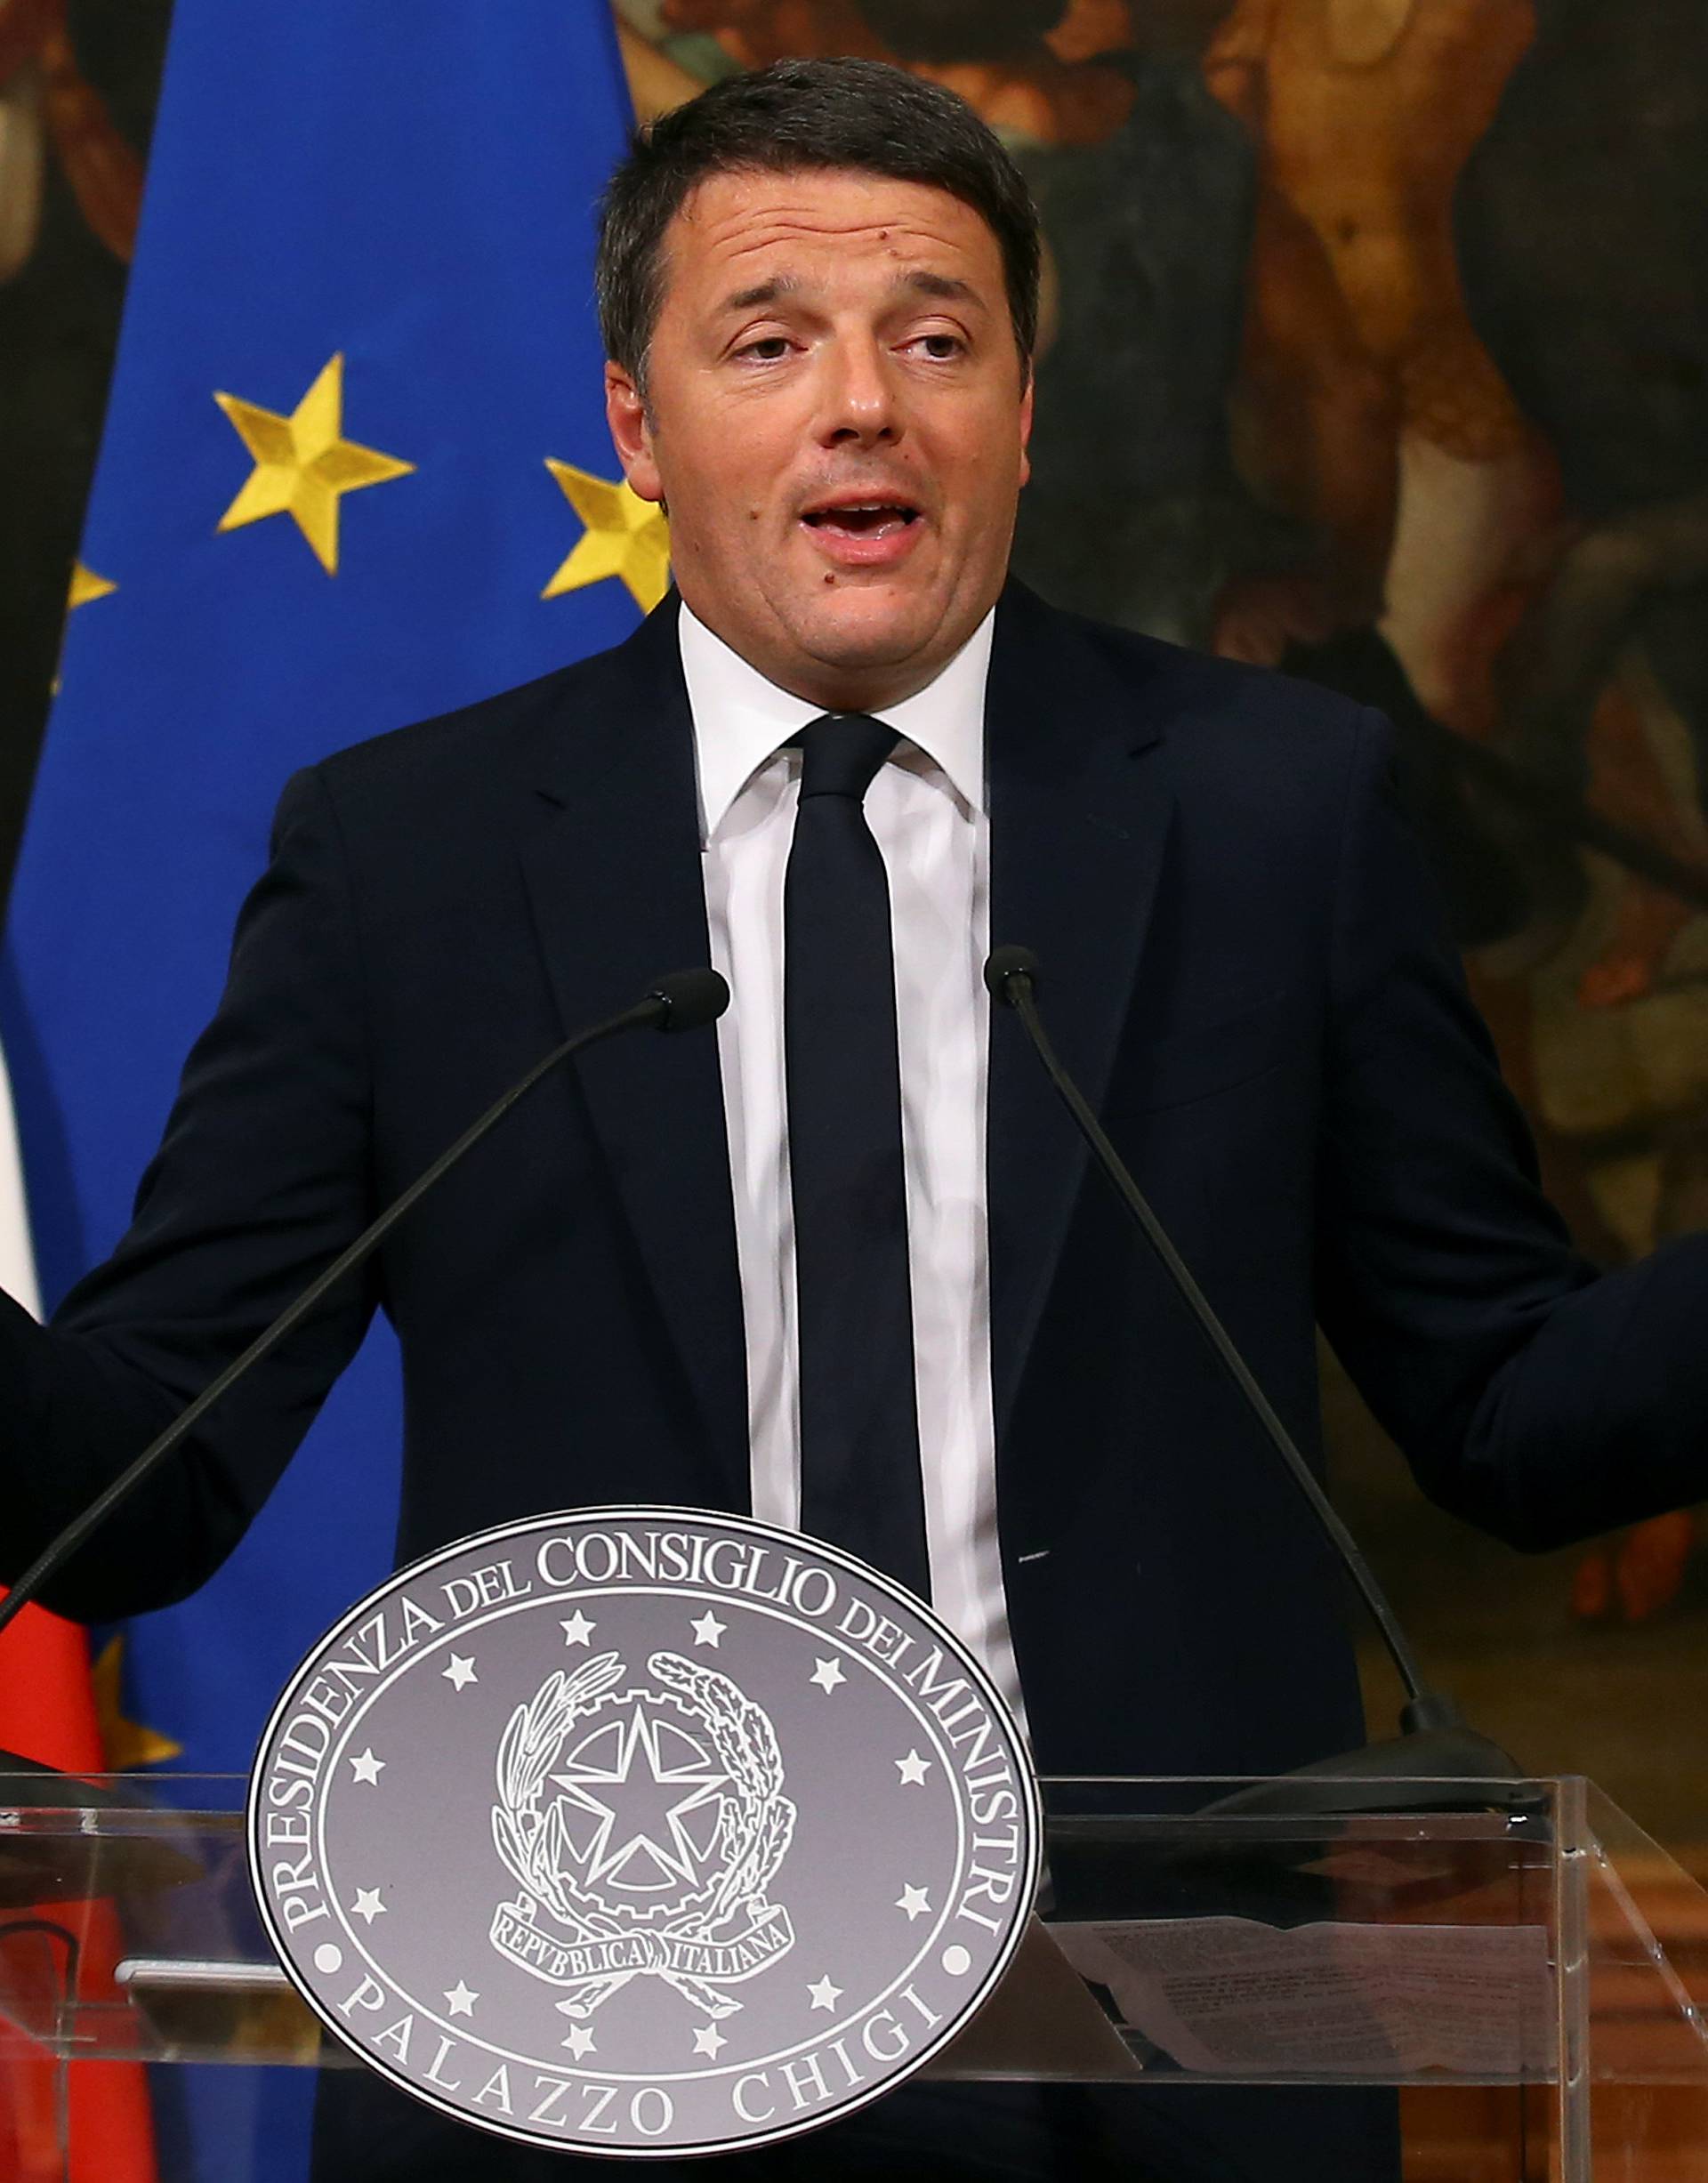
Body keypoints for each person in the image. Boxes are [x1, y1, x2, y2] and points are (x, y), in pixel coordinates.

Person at [3, 54, 1705, 2183]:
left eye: (936, 338)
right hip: (579, 2045)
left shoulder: (1276, 810)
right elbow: (128, 1477)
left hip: (1150, 2054)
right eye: (769, 341)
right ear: (639, 424)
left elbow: (1516, 1409)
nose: (864, 404)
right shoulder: (409, 859)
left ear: (1020, 408)